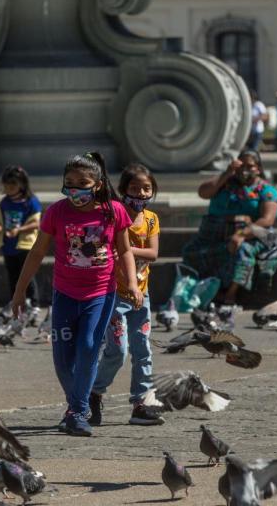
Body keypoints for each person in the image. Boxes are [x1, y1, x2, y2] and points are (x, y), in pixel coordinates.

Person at [10, 152, 140, 437]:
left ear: (97, 184)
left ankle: (78, 411)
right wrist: (19, 291)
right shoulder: (56, 212)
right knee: (63, 358)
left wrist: (131, 283)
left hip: (100, 294)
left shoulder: (113, 211)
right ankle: (76, 404)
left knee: (89, 347)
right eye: (70, 182)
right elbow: (36, 253)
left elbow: (126, 250)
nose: (75, 189)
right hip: (65, 294)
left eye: (83, 182)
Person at [90, 163, 163, 428]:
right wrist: (123, 250)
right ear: (122, 191)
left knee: (143, 350)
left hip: (141, 295)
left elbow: (153, 254)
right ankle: (94, 392)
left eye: (146, 188)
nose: (141, 193)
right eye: (134, 188)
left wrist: (125, 250)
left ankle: (140, 404)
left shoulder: (152, 219)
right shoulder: (114, 216)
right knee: (117, 352)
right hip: (115, 295)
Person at [181, 149, 277, 306]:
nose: (245, 169)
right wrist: (227, 173)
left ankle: (230, 293)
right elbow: (203, 192)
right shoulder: (225, 183)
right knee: (191, 251)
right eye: (241, 165)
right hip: (215, 234)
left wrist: (242, 234)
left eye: (250, 166)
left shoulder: (265, 191)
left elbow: (267, 219)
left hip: (249, 235)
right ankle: (208, 287)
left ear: (259, 169)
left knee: (242, 251)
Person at [0, 165, 41, 304]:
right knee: (13, 275)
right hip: (8, 245)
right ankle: (16, 301)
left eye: (13, 184)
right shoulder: (4, 203)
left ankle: (34, 302)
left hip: (25, 245)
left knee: (27, 275)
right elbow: (0, 221)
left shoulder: (31, 202)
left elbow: (37, 223)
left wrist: (19, 230)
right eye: (6, 185)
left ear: (22, 184)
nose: (9, 188)